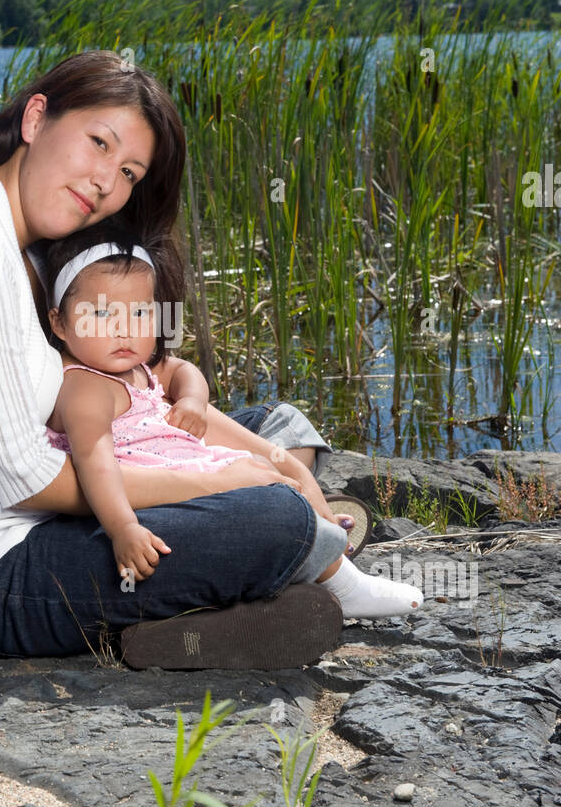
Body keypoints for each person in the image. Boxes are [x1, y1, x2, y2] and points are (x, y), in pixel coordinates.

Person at [0, 50, 376, 669]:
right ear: (36, 118)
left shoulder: (18, 244)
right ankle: (267, 572)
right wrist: (218, 479)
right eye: (98, 143)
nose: (105, 183)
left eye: (128, 172)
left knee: (268, 426)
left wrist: (228, 451)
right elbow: (27, 480)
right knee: (272, 513)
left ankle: (241, 588)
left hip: (28, 513)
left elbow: (129, 404)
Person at [40, 216, 424, 619]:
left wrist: (190, 399)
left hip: (184, 462)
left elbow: (182, 370)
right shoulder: (86, 388)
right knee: (263, 489)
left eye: (140, 314)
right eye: (101, 315)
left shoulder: (135, 366)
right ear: (60, 323)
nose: (124, 331)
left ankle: (319, 527)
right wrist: (123, 528)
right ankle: (343, 584)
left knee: (277, 451)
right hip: (150, 497)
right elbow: (94, 464)